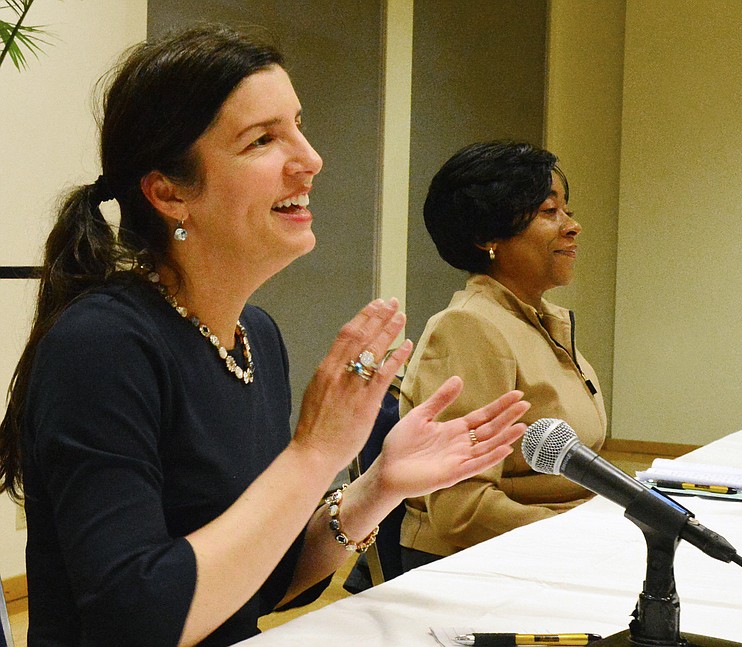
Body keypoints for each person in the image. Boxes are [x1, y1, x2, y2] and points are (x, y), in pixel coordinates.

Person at [0, 26, 532, 647]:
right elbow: (138, 620)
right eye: (263, 140)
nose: (310, 158)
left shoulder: (255, 336)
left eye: (298, 125)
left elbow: (261, 580)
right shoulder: (102, 345)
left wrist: (377, 487)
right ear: (170, 193)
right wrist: (313, 454)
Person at [399, 141, 607, 570]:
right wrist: (585, 538)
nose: (573, 227)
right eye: (550, 213)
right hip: (482, 569)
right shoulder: (470, 328)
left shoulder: (538, 319)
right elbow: (463, 510)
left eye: (566, 211)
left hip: (550, 550)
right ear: (487, 237)